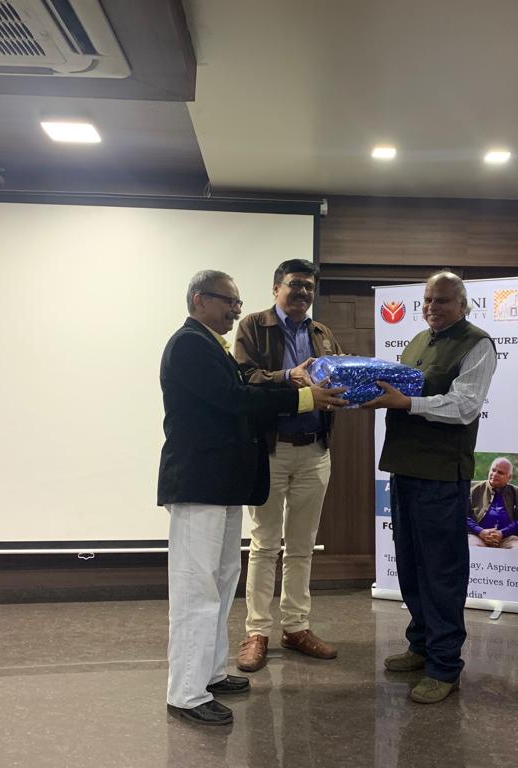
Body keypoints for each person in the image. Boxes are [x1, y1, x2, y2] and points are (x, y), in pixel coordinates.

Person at [158, 269, 346, 727]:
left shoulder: (212, 344)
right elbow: (235, 398)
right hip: (199, 484)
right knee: (197, 589)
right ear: (200, 300)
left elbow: (246, 385)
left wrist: (297, 382)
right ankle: (186, 694)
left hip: (221, 484)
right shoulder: (188, 344)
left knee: (222, 581)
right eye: (229, 302)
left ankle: (209, 674)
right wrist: (305, 400)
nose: (236, 310)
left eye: (239, 303)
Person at [362, 271, 497, 705]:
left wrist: (407, 403)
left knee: (441, 571)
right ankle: (420, 645)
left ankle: (444, 666)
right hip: (404, 468)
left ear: (462, 304)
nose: (431, 307)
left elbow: (465, 405)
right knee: (410, 564)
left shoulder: (477, 343)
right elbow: (401, 390)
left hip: (441, 474)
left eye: (441, 300)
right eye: (426, 300)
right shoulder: (418, 341)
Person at [232, 258, 344, 672]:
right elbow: (242, 378)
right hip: (271, 450)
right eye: (296, 285)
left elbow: (336, 376)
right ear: (276, 287)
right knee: (265, 544)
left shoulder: (322, 332)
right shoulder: (253, 325)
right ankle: (257, 632)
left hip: (316, 450)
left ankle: (296, 627)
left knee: (302, 546)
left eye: (309, 287)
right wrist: (287, 376)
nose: (303, 293)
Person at [467, 457, 518, 549]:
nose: (495, 474)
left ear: (509, 477)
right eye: (493, 470)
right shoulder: (472, 489)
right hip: (477, 536)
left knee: (517, 550)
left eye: (500, 473)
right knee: (473, 549)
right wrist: (480, 531)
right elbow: (462, 516)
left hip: (508, 537)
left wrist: (502, 533)